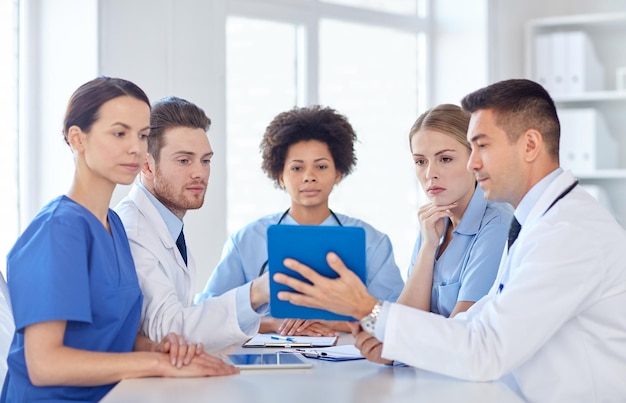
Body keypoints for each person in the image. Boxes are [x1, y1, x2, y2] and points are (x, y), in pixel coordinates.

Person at [272, 79, 626, 401]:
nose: (472, 164)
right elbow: (476, 322)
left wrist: (368, 309)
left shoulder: (567, 234)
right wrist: (395, 343)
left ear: (530, 145)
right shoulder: (536, 222)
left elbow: (486, 349)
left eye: (481, 147)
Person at [1, 77, 238, 402]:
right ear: (77, 138)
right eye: (119, 133)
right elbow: (44, 364)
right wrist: (156, 362)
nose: (135, 148)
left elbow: (112, 333)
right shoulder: (57, 230)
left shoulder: (112, 224)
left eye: (142, 135)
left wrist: (162, 349)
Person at [198, 105, 405, 336]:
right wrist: (274, 325)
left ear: (338, 173)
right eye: (297, 167)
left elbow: (395, 315)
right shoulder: (246, 240)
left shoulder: (372, 242)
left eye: (321, 166)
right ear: (280, 176)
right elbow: (208, 311)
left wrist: (331, 323)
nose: (309, 176)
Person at [115, 96, 269, 352]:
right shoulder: (133, 232)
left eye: (205, 160)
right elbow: (167, 332)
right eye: (184, 160)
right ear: (147, 165)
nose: (199, 172)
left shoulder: (168, 225)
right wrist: (256, 293)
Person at [400, 104, 512, 318]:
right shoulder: (432, 222)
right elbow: (403, 324)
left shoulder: (498, 224)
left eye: (445, 159)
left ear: (475, 160)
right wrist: (427, 247)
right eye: (420, 162)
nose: (430, 174)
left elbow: (464, 333)